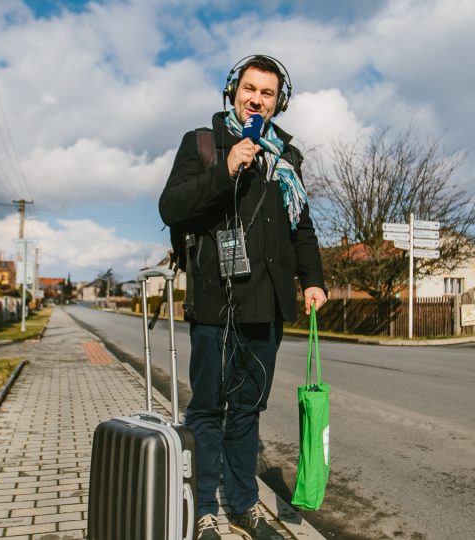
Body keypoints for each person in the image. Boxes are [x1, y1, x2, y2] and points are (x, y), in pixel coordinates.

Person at [159, 55, 327, 540]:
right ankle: (204, 508)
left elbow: (303, 228)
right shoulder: (204, 143)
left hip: (266, 303)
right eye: (250, 89)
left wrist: (312, 279)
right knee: (208, 408)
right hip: (216, 299)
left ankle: (244, 505)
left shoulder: (286, 159)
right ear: (234, 91)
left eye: (267, 93)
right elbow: (171, 207)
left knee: (248, 409)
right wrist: (227, 168)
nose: (257, 99)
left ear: (279, 102)